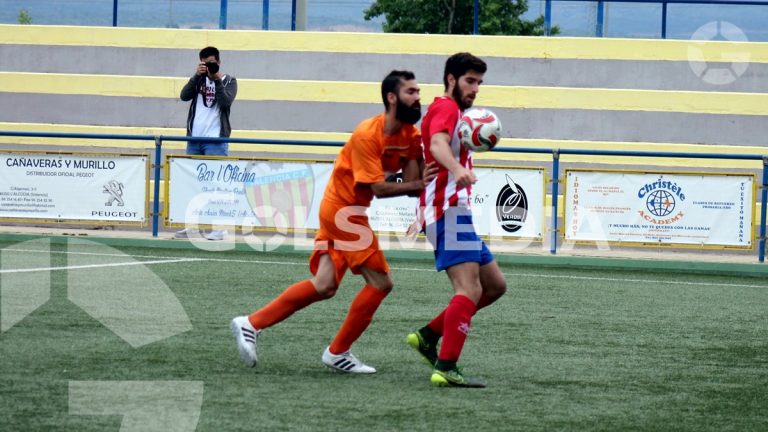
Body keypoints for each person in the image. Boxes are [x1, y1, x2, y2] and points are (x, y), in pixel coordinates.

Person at [231, 70, 438, 373]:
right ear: (392, 98)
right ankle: (338, 351)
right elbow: (380, 189)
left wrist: (426, 157)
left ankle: (251, 323)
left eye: (418, 91)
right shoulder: (368, 134)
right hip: (343, 211)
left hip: (344, 209)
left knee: (325, 285)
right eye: (411, 92)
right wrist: (418, 183)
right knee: (381, 283)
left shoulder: (411, 135)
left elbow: (411, 183)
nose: (418, 97)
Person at [406, 53, 507, 388]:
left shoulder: (457, 113)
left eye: (479, 82)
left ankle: (428, 336)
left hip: (454, 211)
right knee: (470, 288)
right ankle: (446, 366)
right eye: (469, 81)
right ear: (451, 79)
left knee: (494, 286)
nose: (475, 88)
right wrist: (457, 168)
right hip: (447, 211)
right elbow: (436, 143)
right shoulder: (446, 108)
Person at [175, 46, 238, 241]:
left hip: (216, 140)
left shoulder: (229, 81)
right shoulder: (198, 80)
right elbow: (184, 96)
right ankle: (192, 226)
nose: (209, 66)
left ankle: (220, 227)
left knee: (217, 185)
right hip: (194, 139)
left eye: (211, 63)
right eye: (205, 63)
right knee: (193, 185)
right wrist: (196, 76)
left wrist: (216, 79)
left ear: (219, 62)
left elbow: (225, 102)